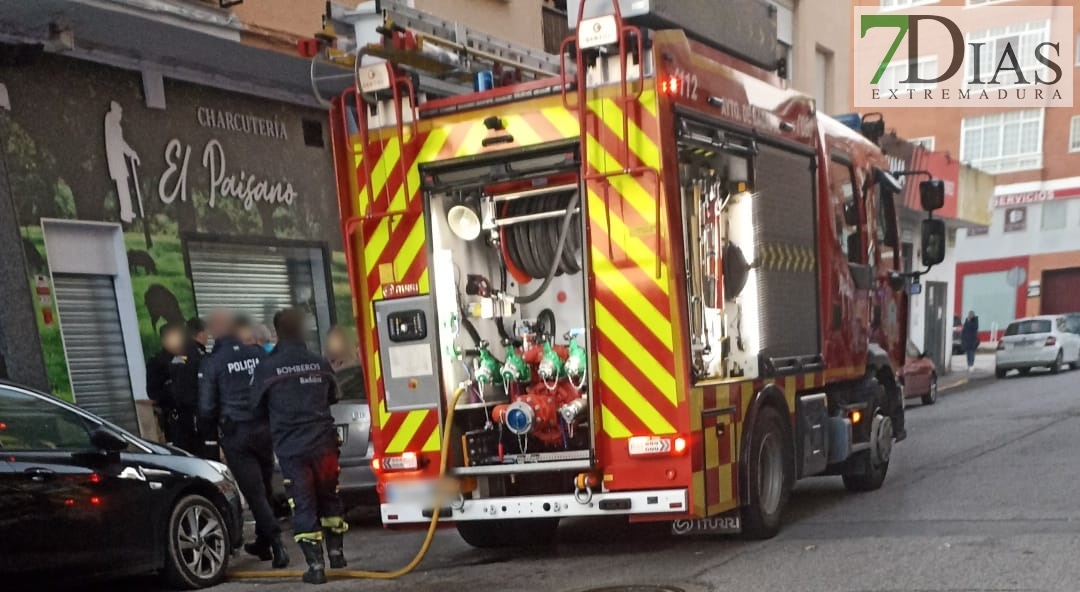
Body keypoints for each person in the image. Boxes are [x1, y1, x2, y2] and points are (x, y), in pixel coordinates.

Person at [255, 308, 348, 585]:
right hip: (324, 444)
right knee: (330, 495)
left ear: (277, 333)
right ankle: (337, 553)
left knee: (303, 502)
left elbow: (255, 407)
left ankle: (316, 566)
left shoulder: (268, 369)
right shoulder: (318, 362)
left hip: (293, 450)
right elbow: (335, 395)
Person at [198, 309, 289, 568]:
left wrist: (210, 440)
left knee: (254, 492)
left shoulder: (212, 363)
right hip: (264, 430)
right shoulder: (257, 353)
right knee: (265, 485)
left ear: (216, 331)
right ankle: (263, 541)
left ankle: (276, 544)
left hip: (237, 434)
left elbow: (206, 408)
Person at [146, 322, 201, 453]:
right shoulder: (157, 362)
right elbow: (153, 392)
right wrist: (171, 390)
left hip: (197, 418)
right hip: (175, 420)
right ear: (164, 340)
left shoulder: (192, 357)